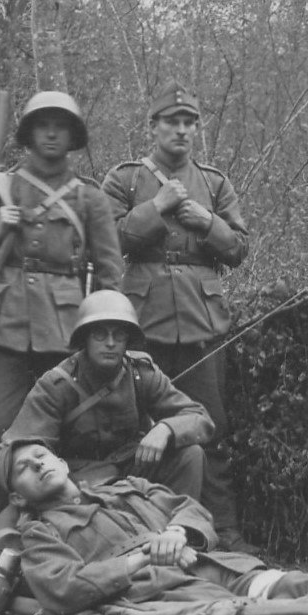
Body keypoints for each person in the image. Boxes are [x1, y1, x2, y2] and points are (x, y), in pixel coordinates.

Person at [0, 440, 308, 615]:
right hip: (156, 590)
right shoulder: (39, 533)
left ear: (61, 462)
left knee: (279, 581)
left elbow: (189, 508)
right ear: (16, 495)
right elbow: (64, 588)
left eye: (42, 456)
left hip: (204, 561)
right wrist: (143, 557)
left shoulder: (130, 486)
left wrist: (177, 531)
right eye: (24, 468)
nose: (38, 465)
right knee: (234, 610)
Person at [0, 91, 124, 516]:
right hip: (3, 325)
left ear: (73, 136)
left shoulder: (89, 198)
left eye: (61, 126)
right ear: (28, 134)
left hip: (65, 331)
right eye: (42, 125)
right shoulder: (0, 187)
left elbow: (109, 274)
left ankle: (58, 525)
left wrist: (106, 332)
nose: (51, 133)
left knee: (66, 431)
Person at [101, 84, 249, 549]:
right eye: (172, 122)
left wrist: (208, 222)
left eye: (189, 123)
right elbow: (106, 241)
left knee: (212, 427)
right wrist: (156, 208)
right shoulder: (124, 180)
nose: (182, 130)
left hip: (203, 321)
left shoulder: (214, 183)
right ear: (153, 127)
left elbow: (240, 249)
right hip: (143, 323)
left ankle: (222, 529)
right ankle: (142, 526)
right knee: (139, 427)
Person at [0, 290, 214, 499]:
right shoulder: (56, 385)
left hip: (135, 468)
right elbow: (16, 447)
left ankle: (180, 528)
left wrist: (166, 428)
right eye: (100, 334)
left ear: (127, 341)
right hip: (78, 482)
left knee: (190, 455)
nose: (110, 343)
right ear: (85, 339)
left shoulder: (141, 374)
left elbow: (199, 417)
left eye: (118, 335)